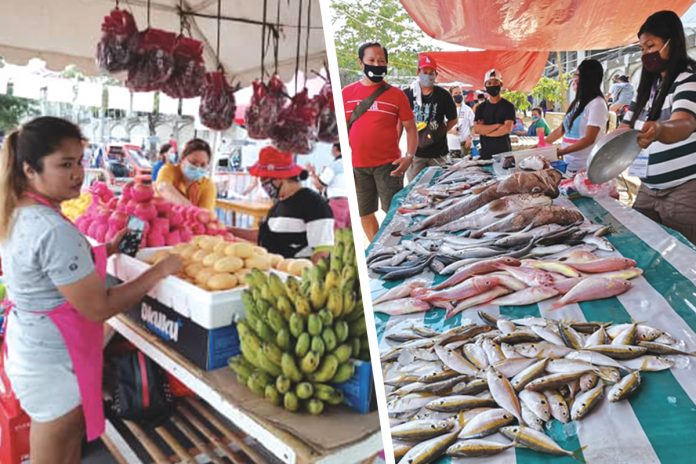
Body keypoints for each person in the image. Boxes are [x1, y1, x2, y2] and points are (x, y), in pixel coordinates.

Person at [0, 116, 182, 464]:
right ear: (29, 170)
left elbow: (48, 269)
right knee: (57, 449)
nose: (78, 173)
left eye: (80, 162)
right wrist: (159, 271)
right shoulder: (51, 228)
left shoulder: (20, 212)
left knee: (65, 444)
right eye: (64, 164)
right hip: (53, 363)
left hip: (33, 349)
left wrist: (108, 250)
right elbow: (99, 307)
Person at [621, 10, 696, 243]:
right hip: (648, 188)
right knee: (640, 245)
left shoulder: (688, 80)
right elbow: (624, 129)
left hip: (683, 190)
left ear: (671, 42)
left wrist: (661, 130)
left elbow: (685, 122)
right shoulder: (647, 87)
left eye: (651, 46)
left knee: (686, 259)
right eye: (642, 49)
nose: (646, 54)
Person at [342, 41, 418, 241]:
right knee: (364, 212)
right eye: (371, 60)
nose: (377, 64)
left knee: (394, 212)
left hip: (388, 165)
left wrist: (409, 156)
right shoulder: (346, 94)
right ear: (361, 63)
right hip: (357, 166)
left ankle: (398, 246)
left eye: (381, 61)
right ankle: (377, 247)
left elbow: (411, 129)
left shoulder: (397, 96)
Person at [231, 146, 334, 260]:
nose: (263, 185)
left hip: (295, 274)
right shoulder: (278, 206)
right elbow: (266, 236)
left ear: (281, 177)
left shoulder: (315, 205)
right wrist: (231, 231)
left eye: (265, 180)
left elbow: (322, 251)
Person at [545, 60, 608, 173]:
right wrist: (541, 145)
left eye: (577, 75)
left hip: (585, 166)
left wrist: (560, 152)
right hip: (569, 163)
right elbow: (561, 130)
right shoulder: (578, 103)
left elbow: (588, 139)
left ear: (588, 78)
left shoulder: (597, 104)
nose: (574, 79)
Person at [404, 54, 458, 181]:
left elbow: (453, 118)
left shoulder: (443, 95)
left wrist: (441, 130)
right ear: (418, 72)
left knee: (439, 186)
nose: (428, 76)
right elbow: (400, 122)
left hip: (438, 153)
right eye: (425, 72)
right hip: (415, 152)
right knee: (414, 187)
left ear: (436, 75)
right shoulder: (407, 94)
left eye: (431, 73)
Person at [155, 138, 216, 211]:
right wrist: (191, 209)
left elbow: (205, 215)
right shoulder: (168, 170)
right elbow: (163, 187)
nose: (198, 168)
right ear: (182, 158)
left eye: (203, 165)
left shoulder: (207, 185)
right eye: (193, 163)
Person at [474, 69, 516, 159]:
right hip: (485, 154)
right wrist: (497, 125)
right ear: (485, 86)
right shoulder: (480, 108)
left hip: (505, 154)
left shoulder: (508, 106)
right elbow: (477, 129)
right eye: (489, 83)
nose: (492, 85)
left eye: (495, 82)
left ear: (501, 84)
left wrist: (486, 132)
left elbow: (507, 128)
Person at [308, 143, 351, 229]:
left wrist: (310, 173)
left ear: (335, 149)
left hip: (337, 202)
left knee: (335, 232)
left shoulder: (334, 165)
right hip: (348, 203)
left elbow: (319, 185)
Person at [447, 86, 475, 157]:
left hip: (466, 145)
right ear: (451, 95)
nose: (458, 95)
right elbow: (442, 127)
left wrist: (470, 137)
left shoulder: (468, 109)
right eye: (455, 93)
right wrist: (451, 131)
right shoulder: (447, 110)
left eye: (460, 93)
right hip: (452, 146)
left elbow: (474, 126)